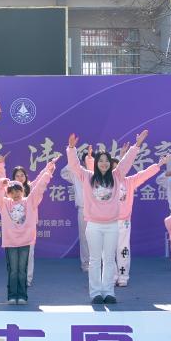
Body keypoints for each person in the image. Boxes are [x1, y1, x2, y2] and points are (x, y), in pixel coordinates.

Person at [66, 130, 144, 305]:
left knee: (109, 260)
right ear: (96, 163)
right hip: (93, 225)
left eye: (106, 161)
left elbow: (126, 162)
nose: (104, 163)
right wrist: (71, 148)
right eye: (100, 161)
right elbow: (74, 166)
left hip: (112, 225)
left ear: (110, 163)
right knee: (95, 260)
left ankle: (108, 292)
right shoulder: (88, 176)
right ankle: (95, 293)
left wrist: (137, 145)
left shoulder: (116, 176)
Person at [0, 157, 57, 305]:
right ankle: (11, 296)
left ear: (23, 191)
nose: (15, 194)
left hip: (25, 242)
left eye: (18, 191)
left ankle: (22, 296)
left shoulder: (30, 201)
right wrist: (0, 183)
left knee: (22, 270)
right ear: (8, 193)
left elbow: (39, 187)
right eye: (12, 191)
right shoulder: (4, 204)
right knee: (13, 270)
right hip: (10, 243)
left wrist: (48, 173)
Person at [116, 152, 169, 286]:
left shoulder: (129, 181)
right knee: (108, 251)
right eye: (114, 168)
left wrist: (159, 164)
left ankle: (122, 277)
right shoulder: (106, 183)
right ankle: (111, 277)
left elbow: (145, 174)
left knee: (123, 249)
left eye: (119, 167)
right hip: (108, 221)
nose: (117, 170)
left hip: (123, 221)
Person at [61, 152, 90, 273]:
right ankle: (86, 264)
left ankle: (99, 263)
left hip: (99, 211)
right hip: (83, 209)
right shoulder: (77, 173)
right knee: (84, 238)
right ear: (82, 161)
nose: (89, 160)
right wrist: (74, 162)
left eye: (92, 158)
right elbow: (64, 173)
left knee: (100, 237)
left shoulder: (100, 174)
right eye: (87, 159)